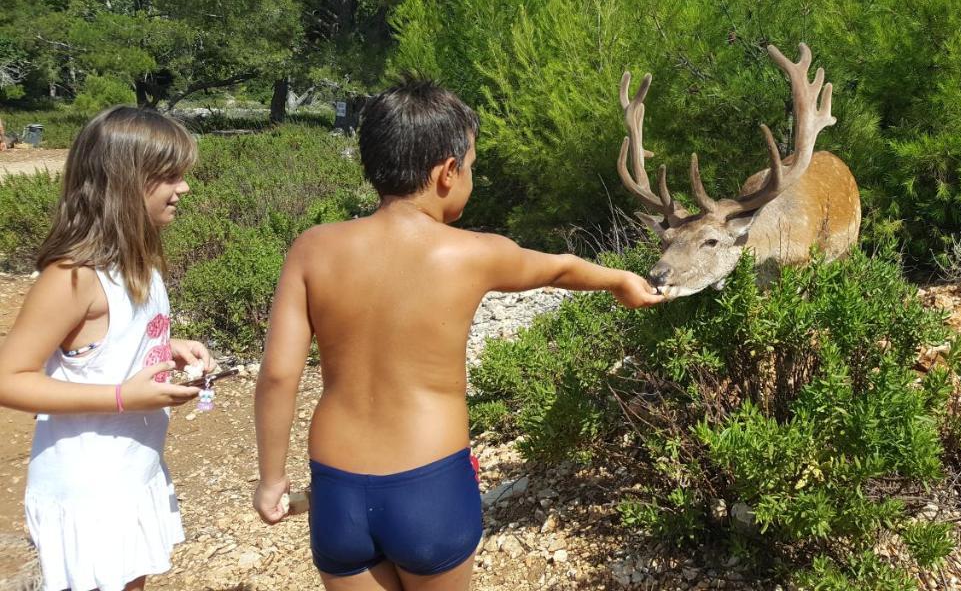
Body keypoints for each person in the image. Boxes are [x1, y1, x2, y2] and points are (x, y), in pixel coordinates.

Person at [253, 80, 666, 590]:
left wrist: (271, 480)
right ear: (447, 172)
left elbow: (277, 375)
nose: (471, 175)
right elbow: (558, 269)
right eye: (471, 164)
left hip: (338, 490)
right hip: (428, 486)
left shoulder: (311, 248)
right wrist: (620, 280)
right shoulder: (472, 253)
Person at [0, 106, 217, 591]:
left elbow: (106, 344)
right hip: (88, 487)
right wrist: (123, 397)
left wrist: (166, 346)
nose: (184, 188)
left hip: (129, 469)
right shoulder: (73, 275)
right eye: (170, 175)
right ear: (124, 181)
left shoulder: (136, 264)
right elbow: (8, 379)